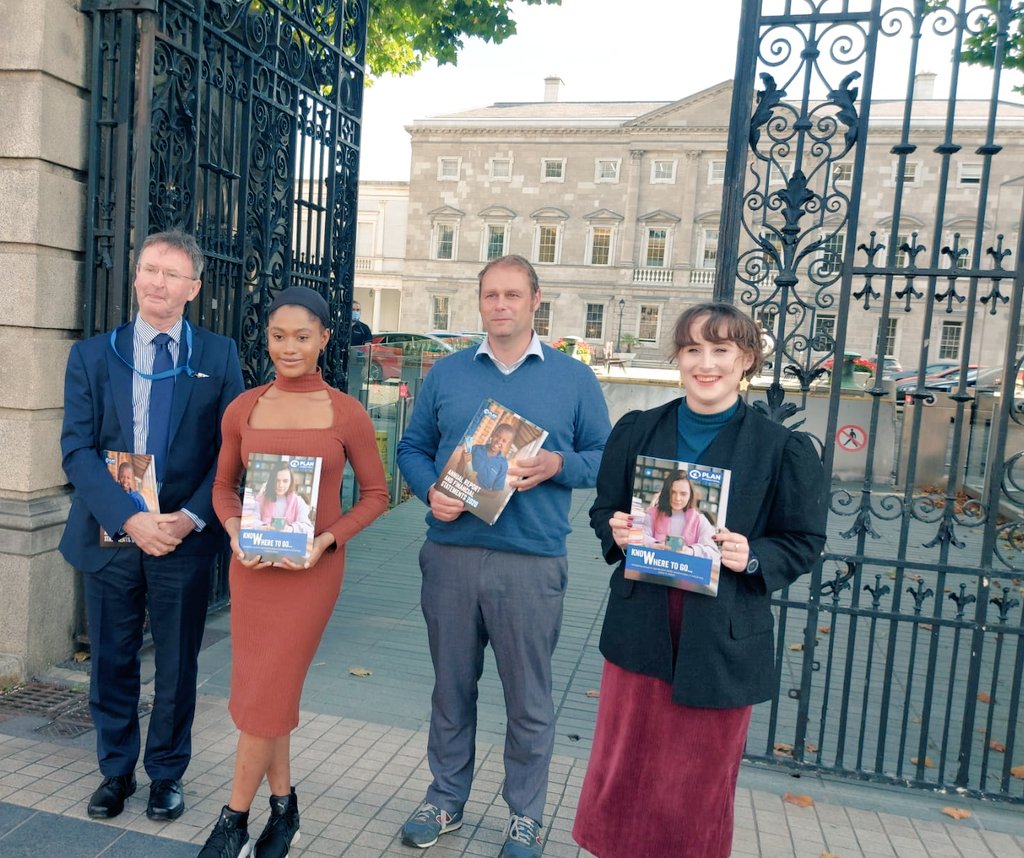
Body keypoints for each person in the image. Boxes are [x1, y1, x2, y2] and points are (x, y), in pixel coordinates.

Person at [572, 302, 827, 858]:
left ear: (746, 361)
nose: (705, 363)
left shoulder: (781, 450)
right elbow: (605, 511)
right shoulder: (638, 430)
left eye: (720, 350)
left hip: (720, 639)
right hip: (642, 627)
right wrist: (617, 530)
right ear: (678, 358)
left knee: (696, 783)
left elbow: (803, 541)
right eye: (693, 350)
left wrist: (751, 555)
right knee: (625, 770)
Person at [396, 254, 611, 858]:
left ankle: (525, 817)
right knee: (451, 688)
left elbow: (605, 456)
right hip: (452, 555)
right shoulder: (448, 373)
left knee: (529, 696)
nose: (501, 305)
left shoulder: (572, 378)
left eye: (513, 294)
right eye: (491, 294)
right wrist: (429, 490)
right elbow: (412, 447)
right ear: (480, 301)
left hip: (531, 560)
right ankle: (444, 798)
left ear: (536, 299)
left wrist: (557, 464)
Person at [59, 231, 245, 822]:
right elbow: (77, 451)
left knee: (177, 663)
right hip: (113, 534)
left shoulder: (217, 356)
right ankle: (116, 771)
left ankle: (166, 773)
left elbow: (230, 449)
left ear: (192, 288)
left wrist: (189, 517)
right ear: (135, 277)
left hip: (183, 538)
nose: (157, 283)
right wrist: (131, 519)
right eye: (149, 270)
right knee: (112, 658)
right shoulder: (93, 355)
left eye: (172, 274)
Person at [198, 286, 388, 858]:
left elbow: (377, 495)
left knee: (265, 691)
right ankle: (284, 810)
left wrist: (327, 540)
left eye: (302, 337)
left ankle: (232, 820)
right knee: (267, 692)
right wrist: (234, 533)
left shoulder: (346, 412)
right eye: (278, 336)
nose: (289, 347)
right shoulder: (244, 407)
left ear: (325, 340)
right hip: (253, 569)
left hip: (310, 573)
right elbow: (222, 487)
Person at [639, 470, 718, 559]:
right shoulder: (652, 514)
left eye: (683, 494)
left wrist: (691, 551)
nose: (677, 498)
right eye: (673, 492)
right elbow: (640, 537)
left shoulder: (700, 520)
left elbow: (714, 552)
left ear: (690, 495)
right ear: (666, 492)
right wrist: (654, 545)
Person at [254, 465, 313, 534]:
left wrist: (290, 529)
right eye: (277, 480)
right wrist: (263, 527)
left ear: (291, 482)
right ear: (271, 481)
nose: (280, 485)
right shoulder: (260, 499)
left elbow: (308, 527)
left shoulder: (298, 501)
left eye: (285, 481)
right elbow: (251, 520)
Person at [468, 423, 515, 490]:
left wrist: (478, 489)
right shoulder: (475, 449)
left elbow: (495, 493)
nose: (499, 441)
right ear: (492, 434)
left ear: (507, 444)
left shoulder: (503, 465)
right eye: (497, 436)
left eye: (504, 441)